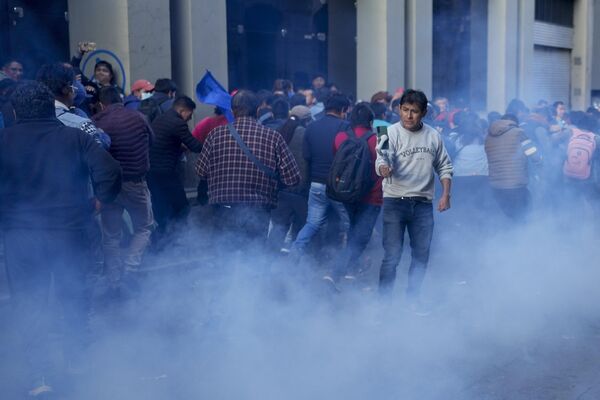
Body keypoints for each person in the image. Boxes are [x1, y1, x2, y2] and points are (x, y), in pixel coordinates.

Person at [0, 81, 121, 397]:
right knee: (74, 295)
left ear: (14, 110)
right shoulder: (76, 137)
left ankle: (39, 374)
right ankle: (77, 362)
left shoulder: (3, 140)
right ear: (49, 107)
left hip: (20, 236)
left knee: (29, 301)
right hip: (70, 230)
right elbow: (109, 170)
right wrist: (100, 200)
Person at [376, 89, 453, 310]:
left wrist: (446, 194)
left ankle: (413, 299)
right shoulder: (386, 132)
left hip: (422, 204)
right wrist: (383, 168)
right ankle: (383, 305)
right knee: (391, 257)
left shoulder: (433, 135)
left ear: (424, 113)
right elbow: (382, 157)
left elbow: (445, 166)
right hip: (394, 202)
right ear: (399, 109)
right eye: (405, 110)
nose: (409, 116)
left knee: (421, 255)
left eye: (414, 112)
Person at [196, 90, 300, 247]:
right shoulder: (273, 137)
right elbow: (292, 178)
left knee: (224, 256)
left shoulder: (215, 135)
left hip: (223, 207)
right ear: (258, 110)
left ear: (232, 111)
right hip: (258, 208)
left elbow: (201, 171)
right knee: (252, 257)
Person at [92, 86, 154, 293]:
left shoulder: (96, 121)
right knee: (143, 227)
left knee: (111, 235)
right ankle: (130, 270)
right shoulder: (138, 117)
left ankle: (114, 281)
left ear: (101, 103)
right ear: (120, 99)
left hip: (108, 186)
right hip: (135, 183)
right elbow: (151, 142)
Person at [329, 102, 383, 285]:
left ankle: (351, 269)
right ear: (371, 120)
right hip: (372, 195)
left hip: (347, 193)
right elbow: (390, 163)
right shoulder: (380, 138)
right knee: (361, 237)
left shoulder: (340, 137)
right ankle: (335, 272)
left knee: (353, 230)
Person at [291, 93, 351, 255]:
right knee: (349, 223)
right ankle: (351, 262)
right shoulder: (345, 127)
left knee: (312, 224)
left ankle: (294, 254)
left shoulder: (311, 127)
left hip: (316, 184)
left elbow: (307, 156)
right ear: (343, 109)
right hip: (337, 185)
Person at [148, 96, 202, 246]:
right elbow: (196, 146)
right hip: (165, 172)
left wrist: (179, 148)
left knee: (163, 210)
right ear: (182, 110)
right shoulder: (177, 122)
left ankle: (162, 244)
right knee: (182, 207)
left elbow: (164, 143)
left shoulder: (161, 119)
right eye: (189, 115)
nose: (189, 119)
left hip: (152, 173)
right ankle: (178, 241)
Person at [268, 105, 312, 253]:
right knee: (300, 227)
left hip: (280, 188)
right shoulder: (306, 134)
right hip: (300, 190)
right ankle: (294, 262)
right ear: (306, 120)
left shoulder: (278, 132)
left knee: (279, 227)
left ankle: (268, 260)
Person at [36, 62, 110, 149]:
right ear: (66, 89)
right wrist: (101, 134)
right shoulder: (82, 125)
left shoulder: (30, 120)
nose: (75, 91)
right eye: (73, 85)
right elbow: (100, 154)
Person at [485, 114, 541, 220]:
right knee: (524, 216)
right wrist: (540, 163)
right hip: (516, 185)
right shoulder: (518, 133)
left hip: (496, 186)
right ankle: (523, 235)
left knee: (507, 217)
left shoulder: (488, 136)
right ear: (514, 123)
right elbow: (533, 154)